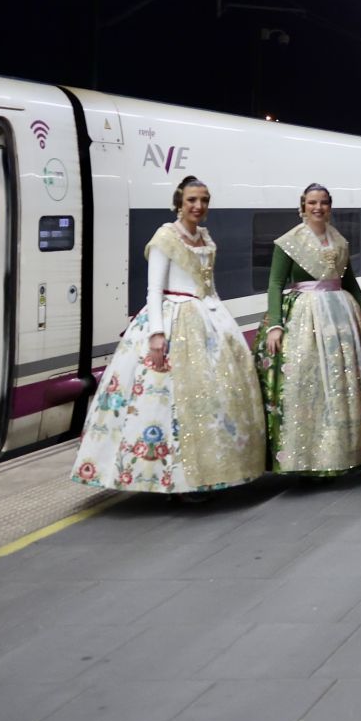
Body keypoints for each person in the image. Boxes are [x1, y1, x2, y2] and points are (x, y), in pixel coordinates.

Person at [72, 176, 265, 496]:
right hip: (173, 320)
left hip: (207, 318)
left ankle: (213, 471)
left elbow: (208, 286)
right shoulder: (165, 237)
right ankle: (174, 478)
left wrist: (220, 319)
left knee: (211, 400)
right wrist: (157, 334)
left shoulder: (204, 236)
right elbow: (154, 290)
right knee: (166, 403)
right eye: (191, 200)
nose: (198, 206)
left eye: (203, 200)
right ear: (179, 202)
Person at [256, 182, 361, 477]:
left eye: (323, 202)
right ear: (303, 206)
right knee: (308, 386)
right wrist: (276, 325)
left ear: (330, 207)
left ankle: (341, 453)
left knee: (339, 384)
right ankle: (307, 457)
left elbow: (350, 282)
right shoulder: (289, 242)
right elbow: (275, 284)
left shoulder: (340, 242)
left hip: (341, 318)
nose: (318, 207)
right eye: (312, 203)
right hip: (305, 319)